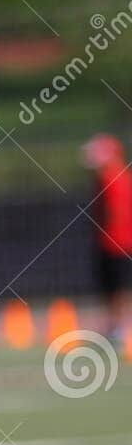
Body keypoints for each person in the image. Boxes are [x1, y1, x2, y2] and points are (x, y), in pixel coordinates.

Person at [82, 133, 132, 343]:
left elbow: (116, 213)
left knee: (119, 287)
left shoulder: (115, 178)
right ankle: (114, 327)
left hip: (119, 243)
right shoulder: (104, 178)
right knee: (111, 288)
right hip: (108, 242)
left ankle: (121, 328)